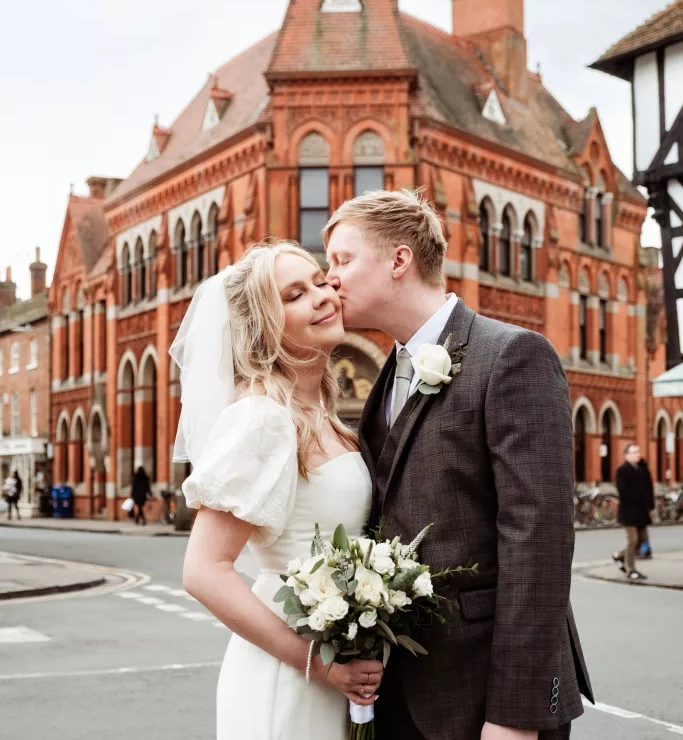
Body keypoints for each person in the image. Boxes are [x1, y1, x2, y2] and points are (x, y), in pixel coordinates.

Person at [324, 189, 594, 740]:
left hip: (488, 701)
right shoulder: (385, 381)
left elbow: (538, 541)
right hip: (403, 694)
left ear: (399, 260)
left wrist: (514, 717)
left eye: (342, 260)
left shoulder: (513, 355)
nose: (330, 278)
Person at [176, 242, 383, 740]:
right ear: (266, 325)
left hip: (331, 662)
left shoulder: (326, 419)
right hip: (288, 673)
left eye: (318, 280)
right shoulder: (263, 419)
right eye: (294, 294)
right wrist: (319, 663)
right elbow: (204, 571)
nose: (322, 295)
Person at [613, 444, 654, 582]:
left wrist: (650, 506)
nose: (638, 454)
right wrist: (636, 499)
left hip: (642, 512)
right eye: (634, 452)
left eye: (638, 451)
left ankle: (619, 556)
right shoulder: (622, 470)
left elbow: (649, 488)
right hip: (629, 511)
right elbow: (623, 491)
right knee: (633, 540)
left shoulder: (642, 469)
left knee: (642, 540)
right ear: (627, 455)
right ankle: (630, 569)